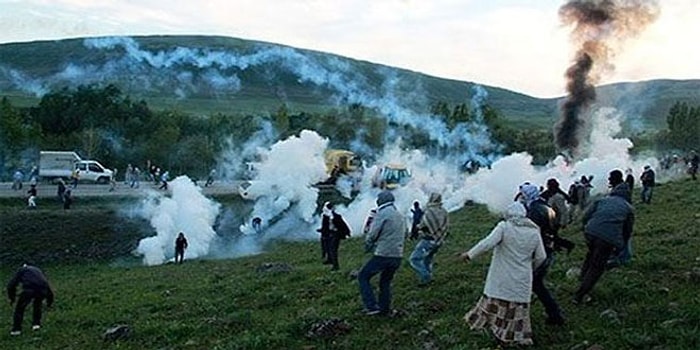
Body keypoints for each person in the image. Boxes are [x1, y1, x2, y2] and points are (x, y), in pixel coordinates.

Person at [460, 202, 546, 347]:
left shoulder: (505, 227)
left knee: (496, 304)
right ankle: (513, 336)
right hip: (522, 279)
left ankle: (495, 330)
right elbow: (541, 257)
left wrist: (469, 254)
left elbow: (487, 243)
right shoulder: (534, 231)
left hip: (502, 278)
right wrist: (529, 267)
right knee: (516, 309)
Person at [574, 170, 634, 304]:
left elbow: (585, 216)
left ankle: (582, 279)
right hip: (607, 239)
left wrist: (585, 228)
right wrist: (621, 246)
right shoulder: (628, 208)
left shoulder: (603, 200)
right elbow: (627, 231)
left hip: (590, 233)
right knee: (597, 267)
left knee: (590, 255)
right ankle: (580, 295)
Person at [517, 183, 566, 326]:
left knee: (534, 284)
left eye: (523, 195)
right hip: (547, 248)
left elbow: (531, 234)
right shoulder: (546, 207)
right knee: (535, 284)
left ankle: (554, 315)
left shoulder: (534, 210)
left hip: (540, 250)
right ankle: (553, 314)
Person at [359, 191, 407, 316]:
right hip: (397, 255)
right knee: (385, 282)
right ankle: (384, 309)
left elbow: (372, 234)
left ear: (381, 200)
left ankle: (371, 306)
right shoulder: (399, 214)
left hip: (383, 254)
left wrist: (368, 245)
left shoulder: (382, 214)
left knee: (363, 276)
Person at [409, 193, 449, 286]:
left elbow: (422, 225)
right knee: (428, 259)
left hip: (428, 239)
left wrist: (417, 224)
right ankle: (428, 278)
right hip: (439, 240)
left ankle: (426, 276)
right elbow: (446, 225)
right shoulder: (443, 211)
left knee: (414, 259)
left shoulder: (429, 211)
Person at [7, 264, 55, 336]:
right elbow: (46, 284)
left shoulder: (21, 270)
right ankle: (36, 325)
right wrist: (49, 302)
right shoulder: (37, 270)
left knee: (19, 309)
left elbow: (12, 284)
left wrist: (12, 298)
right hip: (42, 289)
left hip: (29, 288)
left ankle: (16, 330)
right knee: (37, 304)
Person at [540, 178, 575, 254]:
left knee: (551, 235)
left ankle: (568, 245)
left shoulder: (558, 197)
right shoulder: (550, 194)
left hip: (555, 221)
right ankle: (559, 247)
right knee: (552, 235)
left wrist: (563, 222)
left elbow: (563, 211)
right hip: (551, 219)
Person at [318, 202, 351, 271]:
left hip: (335, 234)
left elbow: (343, 225)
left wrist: (347, 232)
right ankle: (330, 260)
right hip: (328, 234)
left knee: (333, 250)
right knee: (327, 248)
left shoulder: (336, 216)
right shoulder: (325, 217)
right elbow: (325, 226)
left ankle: (335, 266)